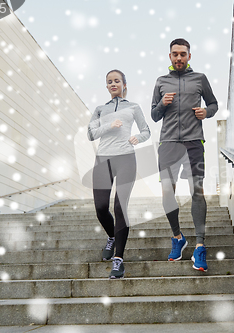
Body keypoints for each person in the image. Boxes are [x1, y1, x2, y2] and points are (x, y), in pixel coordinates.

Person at [151, 38, 218, 272]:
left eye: (183, 54)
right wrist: (161, 104)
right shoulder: (161, 81)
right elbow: (154, 115)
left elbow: (214, 103)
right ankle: (178, 237)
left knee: (196, 191)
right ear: (169, 56)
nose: (179, 57)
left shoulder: (200, 79)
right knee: (167, 190)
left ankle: (199, 245)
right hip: (168, 143)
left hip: (193, 143)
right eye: (175, 54)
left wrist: (206, 112)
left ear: (189, 56)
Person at [88, 69, 150, 279]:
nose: (113, 84)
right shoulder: (99, 109)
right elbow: (90, 134)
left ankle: (118, 260)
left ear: (124, 84)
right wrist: (108, 125)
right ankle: (112, 237)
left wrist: (138, 139)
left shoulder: (133, 107)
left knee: (119, 206)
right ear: (106, 86)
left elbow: (146, 130)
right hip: (103, 158)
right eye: (109, 82)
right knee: (100, 208)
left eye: (117, 81)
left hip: (126, 158)